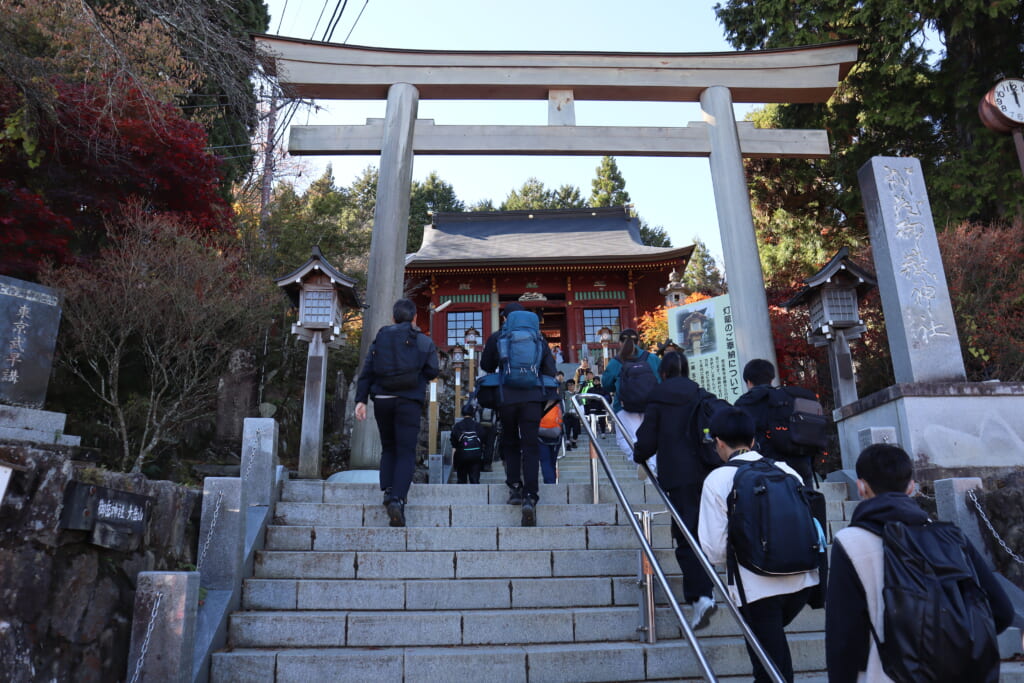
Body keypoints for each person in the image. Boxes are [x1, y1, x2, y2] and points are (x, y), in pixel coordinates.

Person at [825, 444, 1014, 683]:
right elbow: (1003, 612)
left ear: (861, 487)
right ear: (912, 487)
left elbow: (843, 637)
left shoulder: (850, 542)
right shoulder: (952, 537)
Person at [698, 407, 819, 683]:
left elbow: (714, 550)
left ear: (718, 442)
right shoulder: (786, 470)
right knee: (773, 656)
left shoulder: (717, 480)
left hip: (755, 586)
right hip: (801, 580)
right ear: (753, 440)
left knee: (769, 668)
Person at [634, 351, 718, 629]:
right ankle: (709, 588)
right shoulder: (700, 393)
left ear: (664, 372)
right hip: (708, 472)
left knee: (685, 537)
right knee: (705, 533)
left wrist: (639, 454)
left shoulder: (659, 397)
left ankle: (701, 597)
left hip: (678, 476)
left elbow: (646, 442)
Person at [355, 298, 439, 527]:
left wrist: (360, 400)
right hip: (408, 401)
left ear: (393, 317)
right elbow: (433, 370)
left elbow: (368, 370)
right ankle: (397, 499)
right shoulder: (423, 341)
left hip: (382, 399)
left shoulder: (381, 338)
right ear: (414, 318)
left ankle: (388, 490)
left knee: (389, 447)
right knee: (406, 451)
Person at [480, 302, 558, 526]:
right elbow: (550, 371)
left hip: (507, 397)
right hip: (533, 399)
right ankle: (530, 496)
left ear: (506, 318)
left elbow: (486, 365)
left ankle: (514, 488)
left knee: (510, 442)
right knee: (531, 446)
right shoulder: (538, 339)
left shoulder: (499, 337)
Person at [734, 358, 816, 486]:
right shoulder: (789, 399)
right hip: (799, 466)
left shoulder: (743, 404)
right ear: (771, 380)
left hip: (765, 471)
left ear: (748, 382)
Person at [602, 329, 660, 463]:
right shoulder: (651, 358)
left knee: (626, 438)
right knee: (650, 437)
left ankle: (645, 465)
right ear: (638, 342)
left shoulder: (616, 362)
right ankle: (652, 467)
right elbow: (660, 380)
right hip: (651, 405)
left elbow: (607, 384)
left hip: (624, 406)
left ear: (619, 343)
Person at [451, 402, 484, 484]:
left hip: (461, 455)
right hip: (476, 455)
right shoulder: (478, 425)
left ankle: (462, 495)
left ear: (462, 413)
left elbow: (453, 443)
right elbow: (483, 439)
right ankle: (476, 495)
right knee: (475, 479)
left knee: (461, 480)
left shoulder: (458, 426)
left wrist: (453, 461)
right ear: (473, 413)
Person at [562, 378, 581, 449]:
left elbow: (581, 404)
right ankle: (568, 443)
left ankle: (574, 441)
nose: (571, 387)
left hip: (575, 414)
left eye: (572, 385)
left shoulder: (577, 395)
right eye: (569, 385)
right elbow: (562, 403)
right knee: (567, 430)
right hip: (567, 414)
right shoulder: (564, 394)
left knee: (576, 429)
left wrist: (581, 413)